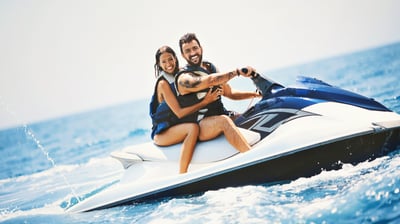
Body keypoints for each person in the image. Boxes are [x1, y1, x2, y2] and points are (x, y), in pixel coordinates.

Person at [175, 33, 261, 153]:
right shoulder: (184, 78)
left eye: (195, 48)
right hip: (200, 125)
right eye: (188, 50)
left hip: (222, 114)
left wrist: (254, 94)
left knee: (254, 114)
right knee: (224, 121)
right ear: (183, 55)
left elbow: (229, 93)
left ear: (201, 48)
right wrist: (237, 72)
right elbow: (210, 80)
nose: (193, 53)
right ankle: (253, 157)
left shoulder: (210, 68)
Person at [150, 46, 219, 173]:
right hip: (162, 132)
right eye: (163, 62)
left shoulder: (181, 75)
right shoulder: (163, 84)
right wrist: (205, 101)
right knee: (192, 128)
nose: (168, 64)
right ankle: (182, 173)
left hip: (177, 125)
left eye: (170, 59)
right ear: (159, 65)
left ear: (175, 58)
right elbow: (179, 113)